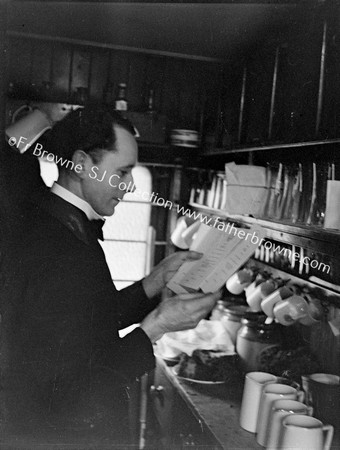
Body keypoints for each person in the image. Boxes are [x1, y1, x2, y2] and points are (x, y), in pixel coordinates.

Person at [0, 104, 219, 449]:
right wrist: (156, 326)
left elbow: (89, 320)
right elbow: (73, 394)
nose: (130, 186)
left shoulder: (61, 222)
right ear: (84, 164)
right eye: (123, 172)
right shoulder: (60, 249)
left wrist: (156, 280)